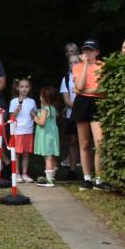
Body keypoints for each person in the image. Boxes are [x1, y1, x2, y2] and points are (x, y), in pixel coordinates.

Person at [71, 38, 106, 190]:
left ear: (97, 52)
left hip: (98, 103)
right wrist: (85, 65)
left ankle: (100, 179)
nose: (87, 53)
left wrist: (85, 90)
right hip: (82, 104)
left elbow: (103, 89)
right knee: (84, 143)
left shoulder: (103, 66)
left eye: (90, 50)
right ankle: (87, 178)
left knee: (99, 143)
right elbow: (78, 87)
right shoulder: (78, 67)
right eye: (85, 50)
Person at [58, 43, 81, 179]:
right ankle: (72, 170)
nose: (73, 65)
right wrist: (79, 107)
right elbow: (66, 100)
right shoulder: (66, 79)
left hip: (85, 114)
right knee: (72, 141)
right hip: (71, 115)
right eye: (71, 63)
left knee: (86, 142)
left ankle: (90, 170)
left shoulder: (85, 76)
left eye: (76, 62)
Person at [8, 77, 37, 183]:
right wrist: (16, 111)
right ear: (17, 88)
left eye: (26, 87)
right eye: (22, 87)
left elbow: (34, 114)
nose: (24, 89)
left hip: (28, 131)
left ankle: (24, 173)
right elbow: (11, 117)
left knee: (26, 153)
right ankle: (16, 173)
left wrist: (34, 114)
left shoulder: (32, 101)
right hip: (18, 131)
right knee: (17, 153)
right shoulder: (14, 101)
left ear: (29, 88)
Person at [32, 86, 62, 187]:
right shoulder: (52, 108)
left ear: (45, 98)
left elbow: (41, 122)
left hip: (46, 136)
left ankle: (49, 180)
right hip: (52, 135)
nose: (40, 97)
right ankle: (52, 176)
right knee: (51, 156)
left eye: (41, 96)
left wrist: (34, 117)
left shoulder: (45, 109)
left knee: (48, 157)